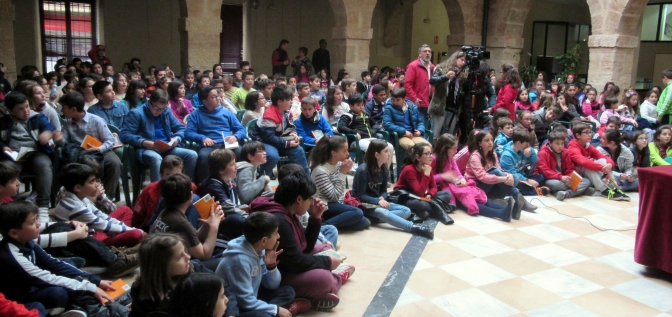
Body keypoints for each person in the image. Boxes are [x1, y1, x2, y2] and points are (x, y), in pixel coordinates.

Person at [249, 171, 352, 311]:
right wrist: (327, 262)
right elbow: (295, 262)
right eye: (309, 198)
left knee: (324, 247)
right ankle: (334, 281)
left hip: (289, 265)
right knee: (324, 279)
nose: (311, 202)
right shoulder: (279, 220)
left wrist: (315, 218)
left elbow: (306, 246)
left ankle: (320, 291)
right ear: (299, 199)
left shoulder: (287, 210)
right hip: (277, 277)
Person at [0, 201, 116, 316]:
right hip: (20, 297)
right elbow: (48, 278)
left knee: (65, 269)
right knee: (58, 293)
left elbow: (54, 263)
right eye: (32, 222)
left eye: (36, 219)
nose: (39, 224)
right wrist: (90, 287)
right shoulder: (11, 256)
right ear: (14, 233)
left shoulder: (26, 241)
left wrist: (96, 281)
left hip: (34, 285)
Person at [217, 212, 311, 317]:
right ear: (264, 240)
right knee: (263, 315)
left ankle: (275, 313)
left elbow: (271, 286)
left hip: (253, 296)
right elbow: (245, 302)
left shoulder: (258, 248)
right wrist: (275, 309)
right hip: (235, 307)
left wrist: (271, 267)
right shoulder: (239, 261)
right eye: (276, 233)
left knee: (288, 291)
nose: (278, 236)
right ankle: (277, 312)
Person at [352, 139, 433, 238]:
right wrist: (377, 201)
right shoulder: (363, 170)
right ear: (377, 155)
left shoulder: (384, 169)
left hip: (378, 202)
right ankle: (413, 227)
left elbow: (384, 191)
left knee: (406, 211)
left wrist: (382, 197)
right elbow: (360, 195)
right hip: (363, 204)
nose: (389, 154)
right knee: (381, 212)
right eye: (386, 151)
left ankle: (375, 219)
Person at [0, 92, 59, 223]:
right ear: (10, 110)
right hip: (13, 155)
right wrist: (3, 147)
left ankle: (43, 206)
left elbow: (50, 129)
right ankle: (11, 205)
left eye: (27, 106)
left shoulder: (37, 118)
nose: (26, 111)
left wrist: (47, 134)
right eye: (20, 109)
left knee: (43, 166)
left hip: (35, 152)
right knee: (8, 171)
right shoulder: (4, 122)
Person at [54, 163, 143, 247]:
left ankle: (119, 235)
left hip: (95, 229)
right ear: (78, 188)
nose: (97, 184)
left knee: (125, 210)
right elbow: (104, 225)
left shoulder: (82, 198)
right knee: (137, 235)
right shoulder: (76, 207)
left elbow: (103, 216)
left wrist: (127, 229)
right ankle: (115, 241)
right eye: (92, 182)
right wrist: (136, 231)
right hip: (90, 242)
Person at [150, 173, 225, 271]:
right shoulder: (180, 223)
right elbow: (204, 255)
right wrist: (214, 226)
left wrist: (207, 223)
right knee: (227, 259)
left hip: (159, 265)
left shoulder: (166, 213)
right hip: (172, 270)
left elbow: (193, 238)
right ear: (191, 196)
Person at [432, 133, 514, 221]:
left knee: (474, 195)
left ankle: (506, 210)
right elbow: (429, 179)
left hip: (455, 185)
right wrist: (443, 176)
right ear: (445, 148)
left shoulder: (450, 158)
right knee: (469, 201)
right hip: (442, 190)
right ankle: (501, 213)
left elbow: (458, 172)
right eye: (454, 148)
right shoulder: (433, 159)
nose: (456, 151)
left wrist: (462, 178)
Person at [120, 89, 197, 182]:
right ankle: (158, 193)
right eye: (156, 108)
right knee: (156, 158)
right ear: (149, 102)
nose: (159, 111)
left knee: (192, 155)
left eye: (162, 108)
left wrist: (177, 139)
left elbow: (180, 128)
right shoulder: (136, 113)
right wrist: (144, 142)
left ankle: (184, 186)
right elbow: (125, 134)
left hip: (166, 147)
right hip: (147, 149)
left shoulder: (166, 111)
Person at [59, 92, 122, 199]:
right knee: (77, 165)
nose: (62, 111)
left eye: (64, 108)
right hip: (80, 153)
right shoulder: (68, 124)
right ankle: (82, 197)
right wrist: (58, 139)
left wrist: (98, 148)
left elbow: (110, 140)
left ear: (73, 109)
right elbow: (63, 143)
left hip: (100, 151)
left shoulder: (96, 120)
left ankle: (106, 198)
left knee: (114, 163)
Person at [464, 130, 537, 219]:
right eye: (486, 141)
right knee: (497, 173)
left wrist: (508, 175)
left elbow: (499, 169)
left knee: (514, 177)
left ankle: (496, 198)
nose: (490, 143)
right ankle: (518, 197)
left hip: (489, 185)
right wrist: (503, 178)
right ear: (480, 143)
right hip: (475, 187)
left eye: (491, 140)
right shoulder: (475, 156)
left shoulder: (493, 154)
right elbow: (482, 177)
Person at [131, 233, 201, 317]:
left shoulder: (195, 268)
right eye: (179, 257)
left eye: (185, 252)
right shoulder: (140, 291)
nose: (188, 257)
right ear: (161, 266)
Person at [185, 86, 245, 185]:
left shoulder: (226, 112)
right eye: (213, 97)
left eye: (218, 96)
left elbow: (241, 129)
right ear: (205, 101)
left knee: (243, 152)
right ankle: (204, 185)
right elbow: (188, 133)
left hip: (227, 144)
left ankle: (241, 184)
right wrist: (202, 138)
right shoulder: (196, 114)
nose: (218, 98)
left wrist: (236, 136)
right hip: (210, 145)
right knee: (204, 157)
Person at [309, 136, 369, 231]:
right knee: (358, 213)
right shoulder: (320, 171)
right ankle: (320, 227)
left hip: (336, 203)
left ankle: (332, 224)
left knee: (364, 221)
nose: (348, 154)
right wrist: (343, 173)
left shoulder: (339, 164)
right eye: (345, 151)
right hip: (323, 206)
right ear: (333, 153)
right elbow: (334, 197)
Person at [249, 85, 309, 177]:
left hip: (278, 139)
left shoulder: (286, 111)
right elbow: (268, 138)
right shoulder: (269, 115)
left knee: (299, 150)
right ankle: (263, 179)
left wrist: (293, 133)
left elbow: (292, 127)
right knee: (273, 156)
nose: (291, 101)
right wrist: (287, 144)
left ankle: (305, 178)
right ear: (280, 102)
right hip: (262, 141)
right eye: (289, 99)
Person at [131, 155, 199, 231]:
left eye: (177, 175)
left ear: (183, 175)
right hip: (156, 226)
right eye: (168, 175)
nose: (173, 179)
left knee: (194, 198)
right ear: (161, 175)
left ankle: (189, 234)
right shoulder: (150, 190)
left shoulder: (191, 187)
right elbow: (137, 215)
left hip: (181, 222)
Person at [394, 142, 454, 224]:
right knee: (423, 205)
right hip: (406, 197)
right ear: (418, 157)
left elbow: (434, 186)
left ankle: (422, 213)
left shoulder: (427, 167)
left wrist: (430, 194)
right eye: (427, 154)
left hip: (421, 196)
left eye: (431, 153)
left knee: (447, 194)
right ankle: (435, 209)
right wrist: (426, 174)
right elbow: (419, 192)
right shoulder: (409, 169)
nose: (430, 156)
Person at [567, 123, 630, 201]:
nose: (590, 134)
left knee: (603, 161)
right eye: (586, 132)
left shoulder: (587, 145)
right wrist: (601, 168)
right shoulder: (572, 146)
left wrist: (609, 164)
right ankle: (604, 190)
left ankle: (613, 188)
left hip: (587, 171)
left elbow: (603, 157)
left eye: (590, 132)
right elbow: (583, 162)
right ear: (578, 135)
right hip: (575, 173)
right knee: (588, 167)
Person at [196, 148, 248, 242]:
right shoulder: (213, 187)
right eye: (232, 164)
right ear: (221, 170)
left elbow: (236, 206)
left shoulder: (230, 182)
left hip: (225, 221)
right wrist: (253, 218)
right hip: (210, 231)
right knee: (238, 220)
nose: (237, 166)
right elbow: (230, 210)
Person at [536, 130, 593, 201]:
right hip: (552, 179)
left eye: (562, 143)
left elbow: (570, 168)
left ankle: (565, 193)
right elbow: (544, 171)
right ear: (550, 143)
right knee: (554, 184)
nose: (560, 146)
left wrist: (571, 177)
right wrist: (561, 177)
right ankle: (581, 190)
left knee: (586, 181)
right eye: (557, 144)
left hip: (565, 179)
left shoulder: (566, 152)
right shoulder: (542, 153)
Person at [337, 93, 394, 160]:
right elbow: (341, 127)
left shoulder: (366, 114)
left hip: (372, 139)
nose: (361, 107)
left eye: (362, 105)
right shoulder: (347, 115)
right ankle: (372, 169)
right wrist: (354, 132)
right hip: (358, 141)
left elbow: (375, 124)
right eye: (358, 105)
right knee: (372, 149)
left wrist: (373, 131)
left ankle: (384, 169)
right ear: (351, 106)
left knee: (389, 147)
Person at [429, 51, 466, 141]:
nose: (463, 62)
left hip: (453, 108)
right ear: (455, 59)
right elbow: (432, 81)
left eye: (465, 61)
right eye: (461, 60)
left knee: (449, 137)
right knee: (435, 135)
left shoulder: (463, 73)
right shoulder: (441, 69)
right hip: (440, 106)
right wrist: (445, 77)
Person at [499, 128, 547, 196]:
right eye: (526, 143)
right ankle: (535, 191)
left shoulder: (523, 149)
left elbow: (535, 161)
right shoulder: (506, 155)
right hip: (514, 179)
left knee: (541, 177)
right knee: (519, 184)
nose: (527, 145)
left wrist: (531, 150)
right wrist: (527, 180)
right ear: (518, 143)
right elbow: (513, 173)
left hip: (523, 175)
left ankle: (532, 188)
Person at [236, 141, 272, 206]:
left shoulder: (253, 168)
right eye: (260, 151)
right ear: (250, 157)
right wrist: (263, 179)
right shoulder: (246, 170)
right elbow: (246, 197)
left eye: (264, 150)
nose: (265, 153)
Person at [404, 44, 434, 117]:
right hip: (418, 102)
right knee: (419, 126)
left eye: (429, 51)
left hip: (430, 102)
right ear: (419, 54)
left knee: (428, 126)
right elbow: (407, 84)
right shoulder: (413, 66)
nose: (427, 53)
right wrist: (414, 98)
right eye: (425, 51)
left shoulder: (433, 67)